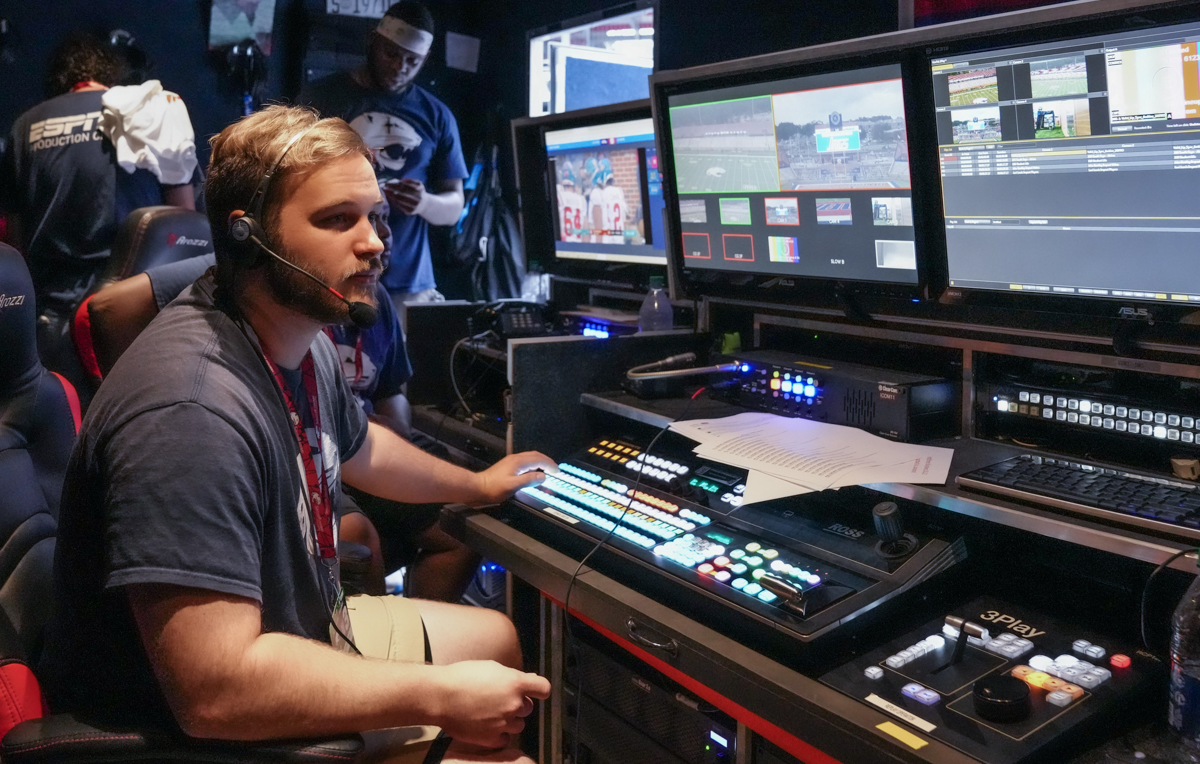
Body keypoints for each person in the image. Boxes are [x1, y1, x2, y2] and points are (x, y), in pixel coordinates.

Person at [40, 105, 553, 762]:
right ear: (249, 239)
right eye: (338, 220)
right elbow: (214, 693)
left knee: (497, 643)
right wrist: (436, 694)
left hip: (292, 626)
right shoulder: (190, 409)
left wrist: (478, 483)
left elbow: (361, 446)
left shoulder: (296, 339)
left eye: (376, 218)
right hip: (184, 721)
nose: (373, 242)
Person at [0, 33, 196, 373]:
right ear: (113, 75)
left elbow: (13, 243)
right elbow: (185, 223)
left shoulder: (23, 128)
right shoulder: (148, 112)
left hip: (49, 316)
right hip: (133, 311)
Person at [299, 1, 467, 315]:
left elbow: (454, 209)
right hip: (336, 274)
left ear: (425, 59)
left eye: (411, 61)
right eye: (391, 54)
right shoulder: (321, 98)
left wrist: (424, 203)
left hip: (409, 283)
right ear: (372, 41)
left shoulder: (437, 116)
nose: (399, 67)